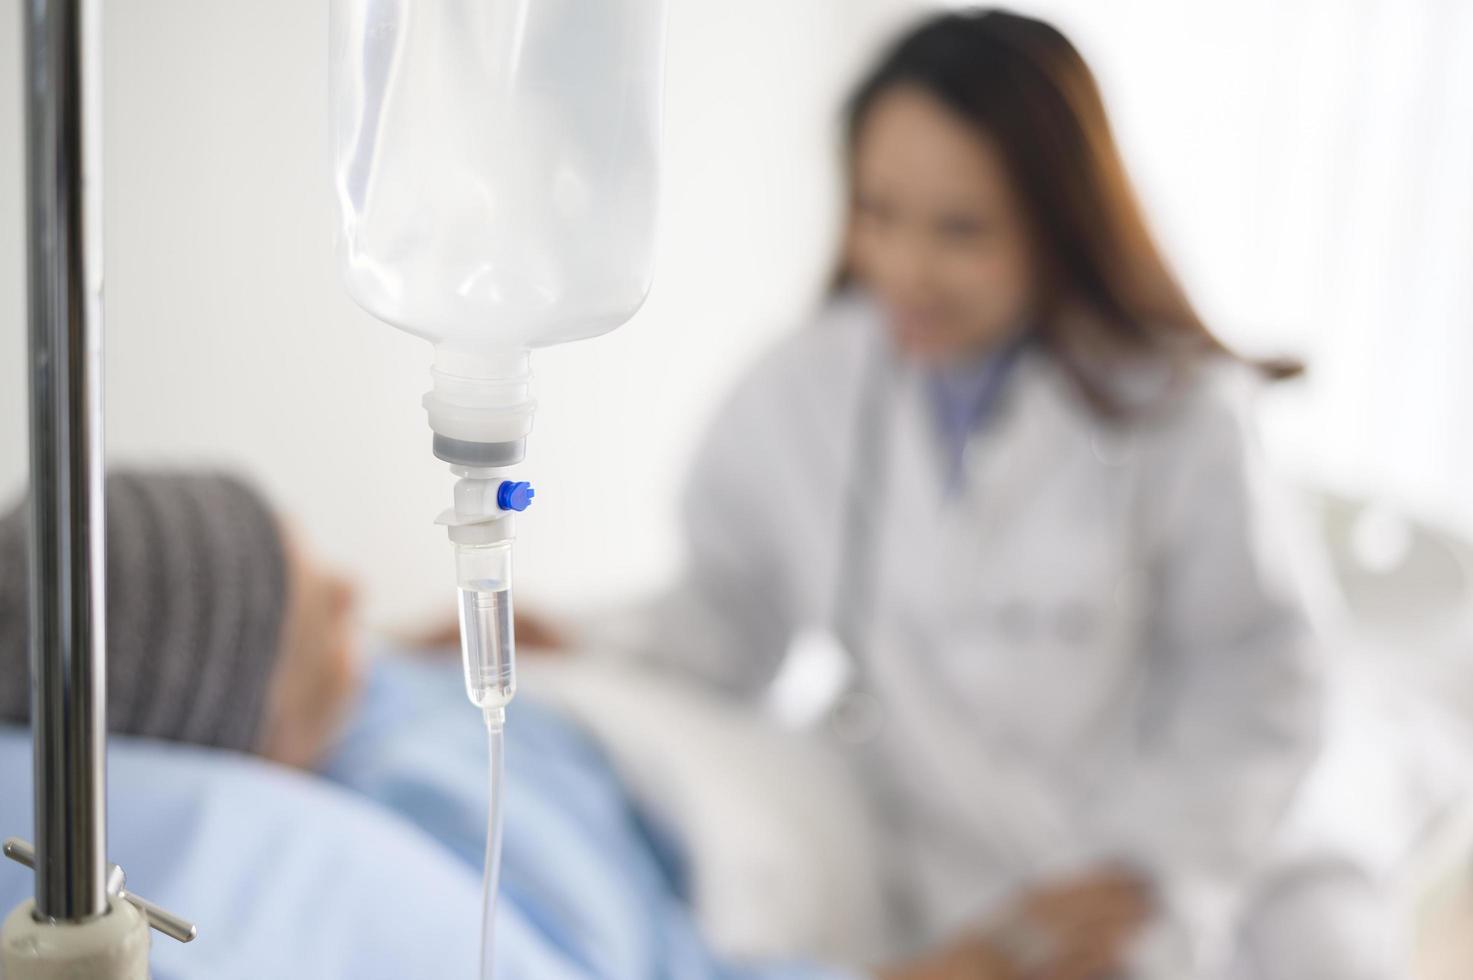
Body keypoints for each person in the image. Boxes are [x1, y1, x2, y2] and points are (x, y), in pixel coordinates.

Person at [556, 9, 1324, 978]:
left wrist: (1145, 870)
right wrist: (579, 640)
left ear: (1056, 218)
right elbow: (728, 615)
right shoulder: (804, 386)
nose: (904, 269)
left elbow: (1264, 679)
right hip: (916, 877)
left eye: (960, 229)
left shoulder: (1182, 418)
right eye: (877, 213)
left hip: (1124, 885)